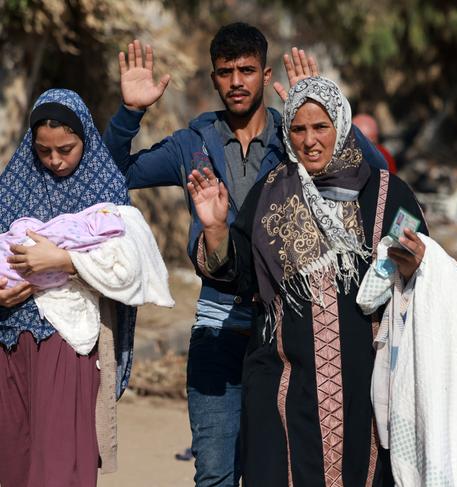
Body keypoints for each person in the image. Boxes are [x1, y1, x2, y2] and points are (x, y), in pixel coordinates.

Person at [102, 22, 387, 487]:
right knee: (214, 471)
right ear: (213, 79)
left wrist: (320, 106)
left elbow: (371, 171)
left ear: (265, 72)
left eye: (247, 70)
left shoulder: (294, 136)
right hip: (217, 320)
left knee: (274, 470)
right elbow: (113, 173)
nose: (236, 81)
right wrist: (129, 113)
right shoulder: (190, 145)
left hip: (287, 325)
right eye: (225, 72)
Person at [187, 75, 426, 486]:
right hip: (282, 384)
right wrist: (215, 231)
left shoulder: (389, 193)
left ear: (341, 125)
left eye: (320, 127)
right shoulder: (270, 194)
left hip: (367, 392)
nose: (309, 140)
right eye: (298, 129)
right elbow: (238, 277)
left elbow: (421, 264)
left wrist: (416, 262)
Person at [0, 89, 173, 487]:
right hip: (10, 343)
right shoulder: (13, 186)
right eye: (44, 151)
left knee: (59, 467)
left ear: (85, 140)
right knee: (13, 462)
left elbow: (131, 266)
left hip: (67, 345)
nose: (55, 160)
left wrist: (64, 262)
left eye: (66, 148)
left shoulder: (104, 191)